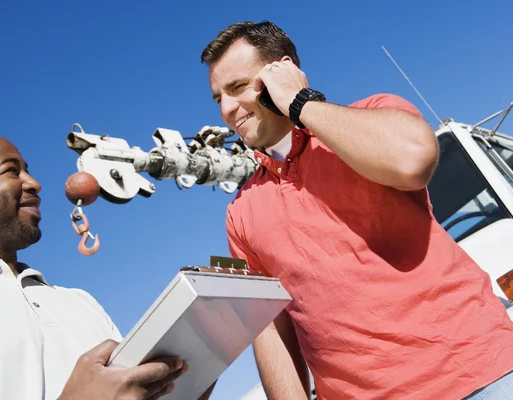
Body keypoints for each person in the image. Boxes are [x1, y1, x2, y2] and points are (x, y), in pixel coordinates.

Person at [200, 20, 513, 399]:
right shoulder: (241, 213)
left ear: (280, 73)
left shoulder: (375, 114)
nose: (228, 109)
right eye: (219, 97)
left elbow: (413, 162)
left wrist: (300, 101)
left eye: (236, 88)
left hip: (482, 375)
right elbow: (270, 326)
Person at [0, 133, 199, 399]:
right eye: (12, 170)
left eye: (27, 169)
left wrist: (187, 379)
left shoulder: (81, 303)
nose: (34, 183)